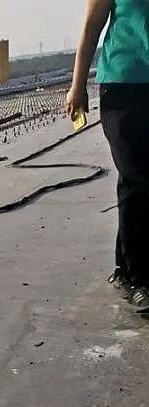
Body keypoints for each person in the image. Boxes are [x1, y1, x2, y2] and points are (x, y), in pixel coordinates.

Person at [68, 0, 149, 313]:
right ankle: (138, 279)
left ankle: (126, 267)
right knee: (136, 176)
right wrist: (77, 86)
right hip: (123, 85)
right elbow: (92, 25)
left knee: (143, 179)